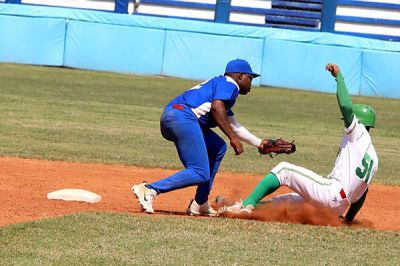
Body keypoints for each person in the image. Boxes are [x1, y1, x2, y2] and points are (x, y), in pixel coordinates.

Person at [220, 63, 378, 223]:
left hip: (331, 193)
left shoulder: (357, 131)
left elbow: (345, 106)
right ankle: (236, 207)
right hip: (338, 207)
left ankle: (246, 205)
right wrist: (348, 219)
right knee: (286, 201)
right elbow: (362, 192)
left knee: (284, 169)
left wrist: (339, 77)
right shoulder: (372, 156)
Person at [132, 59, 273, 216]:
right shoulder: (230, 84)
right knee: (200, 171)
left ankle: (200, 203)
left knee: (218, 147)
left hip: (173, 115)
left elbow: (232, 123)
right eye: (250, 78)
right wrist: (232, 138)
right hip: (183, 117)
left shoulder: (219, 86)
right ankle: (150, 189)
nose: (251, 83)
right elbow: (217, 108)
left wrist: (259, 143)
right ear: (240, 76)